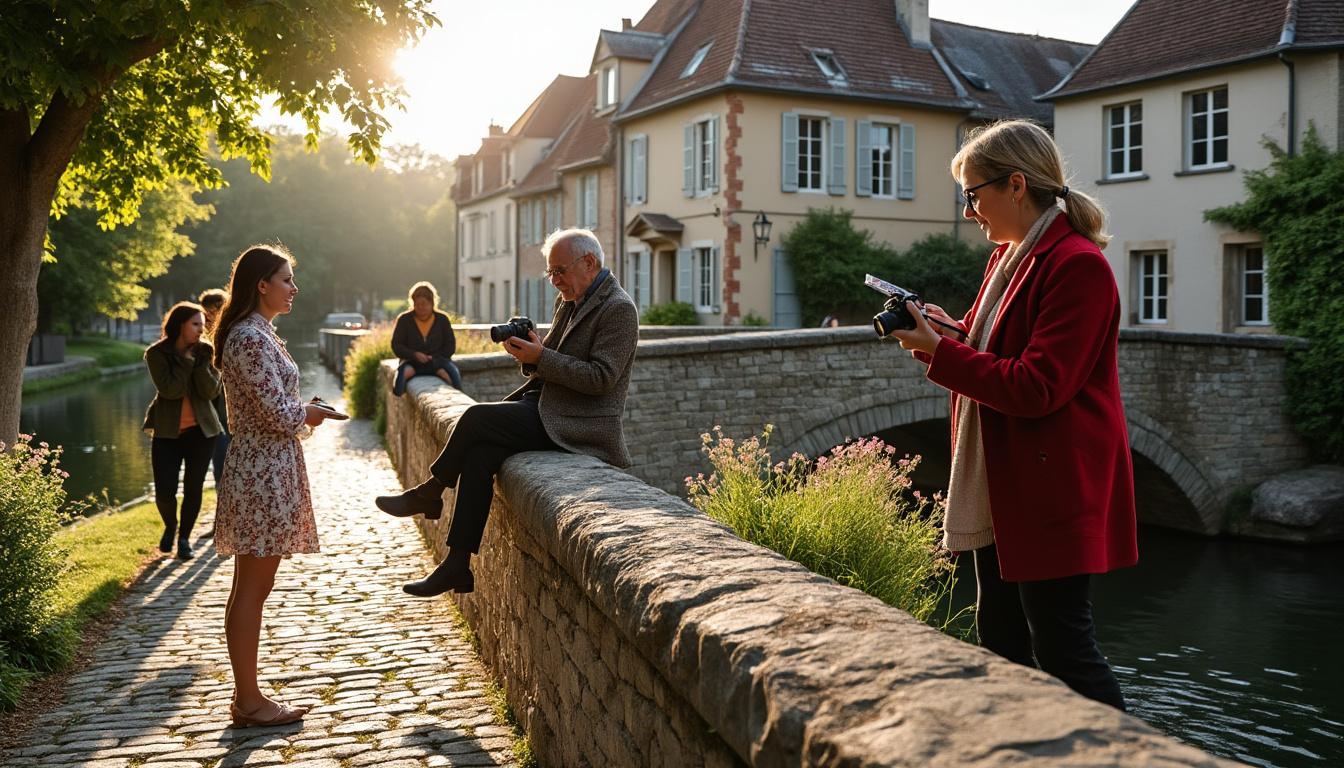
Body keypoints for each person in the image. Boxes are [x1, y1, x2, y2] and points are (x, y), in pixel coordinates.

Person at [889, 119, 1137, 710]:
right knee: (1000, 637)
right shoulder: (1010, 260)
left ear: (1017, 185)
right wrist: (949, 332)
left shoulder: (1077, 265)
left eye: (973, 194)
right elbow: (993, 350)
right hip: (1003, 479)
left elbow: (1038, 386)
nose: (970, 210)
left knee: (1063, 648)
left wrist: (938, 350)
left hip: (1051, 484)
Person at [376, 228, 639, 597]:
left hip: (576, 423)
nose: (555, 281)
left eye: (560, 271)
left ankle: (431, 492)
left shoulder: (619, 309)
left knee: (476, 418)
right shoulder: (572, 300)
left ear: (590, 262)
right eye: (551, 274)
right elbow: (555, 360)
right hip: (547, 406)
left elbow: (602, 379)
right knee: (480, 456)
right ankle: (457, 565)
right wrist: (533, 352)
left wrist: (541, 356)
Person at [211, 244, 337, 727]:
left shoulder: (261, 334)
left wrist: (305, 412)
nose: (293, 288)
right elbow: (279, 414)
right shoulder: (249, 338)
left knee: (250, 587)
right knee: (251, 590)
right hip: (261, 472)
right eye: (285, 279)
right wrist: (310, 412)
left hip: (267, 466)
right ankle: (248, 700)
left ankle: (248, 696)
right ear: (260, 283)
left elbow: (279, 412)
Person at [141, 302, 223, 560]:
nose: (202, 329)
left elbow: (211, 391)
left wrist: (197, 363)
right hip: (167, 431)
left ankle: (184, 538)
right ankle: (170, 526)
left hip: (202, 431)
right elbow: (171, 390)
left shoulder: (205, 351)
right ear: (180, 325)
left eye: (202, 324)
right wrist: (186, 363)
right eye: (196, 324)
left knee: (194, 487)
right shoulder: (156, 354)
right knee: (165, 489)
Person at [390, 281, 462, 395]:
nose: (420, 307)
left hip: (438, 362)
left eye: (424, 304)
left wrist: (433, 357)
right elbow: (396, 345)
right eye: (417, 304)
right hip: (412, 363)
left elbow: (450, 346)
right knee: (398, 386)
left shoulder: (442, 319)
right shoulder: (404, 320)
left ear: (432, 303)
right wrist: (414, 354)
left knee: (455, 378)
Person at [199, 287, 230, 538]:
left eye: (214, 312)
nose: (210, 317)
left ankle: (233, 522)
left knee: (235, 471)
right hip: (214, 418)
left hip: (234, 419)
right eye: (207, 313)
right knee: (219, 469)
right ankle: (221, 522)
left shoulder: (233, 336)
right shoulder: (201, 343)